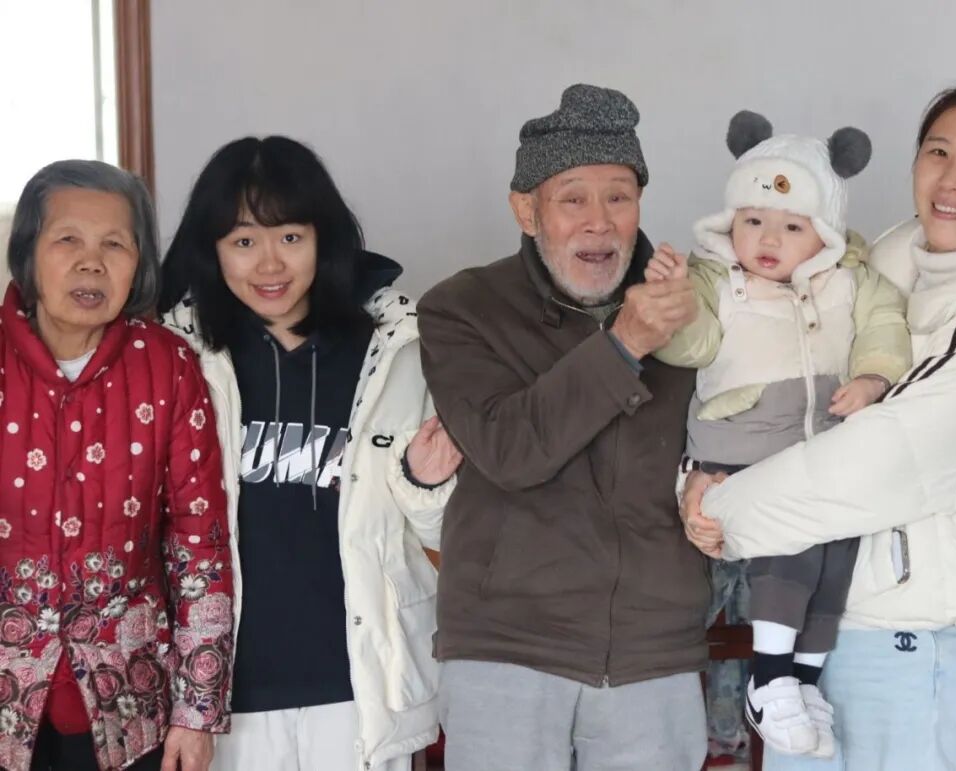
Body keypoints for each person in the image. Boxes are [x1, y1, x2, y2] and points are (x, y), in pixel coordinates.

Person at [682, 79, 956, 770]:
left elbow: (871, 465)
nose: (951, 178)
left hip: (913, 644)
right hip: (823, 637)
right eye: (938, 152)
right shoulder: (876, 260)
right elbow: (757, 382)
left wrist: (717, 509)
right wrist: (696, 473)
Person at [418, 83, 709, 771]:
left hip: (652, 650)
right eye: (573, 199)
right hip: (506, 648)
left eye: (619, 197)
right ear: (528, 210)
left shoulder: (696, 305)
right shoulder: (462, 309)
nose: (599, 223)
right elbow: (510, 450)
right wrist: (625, 343)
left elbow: (741, 429)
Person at [157, 136, 460, 771]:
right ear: (212, 249)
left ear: (324, 238)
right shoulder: (177, 356)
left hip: (361, 690)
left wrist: (426, 483)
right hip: (223, 697)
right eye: (244, 241)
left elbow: (445, 535)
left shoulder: (398, 350)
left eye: (290, 237)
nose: (270, 263)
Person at [647, 111, 911, 758]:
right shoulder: (717, 280)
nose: (768, 238)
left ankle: (805, 681)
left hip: (817, 453)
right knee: (793, 541)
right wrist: (673, 300)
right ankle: (769, 679)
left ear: (823, 233)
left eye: (792, 226)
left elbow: (885, 325)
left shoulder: (851, 281)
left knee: (838, 553)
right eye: (754, 220)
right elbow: (689, 347)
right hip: (736, 458)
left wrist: (873, 377)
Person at [0, 160, 233, 771]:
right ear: (28, 254)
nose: (91, 262)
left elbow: (199, 547)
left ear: (139, 264)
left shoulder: (168, 367)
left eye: (114, 244)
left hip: (128, 708)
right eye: (67, 239)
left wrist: (197, 711)